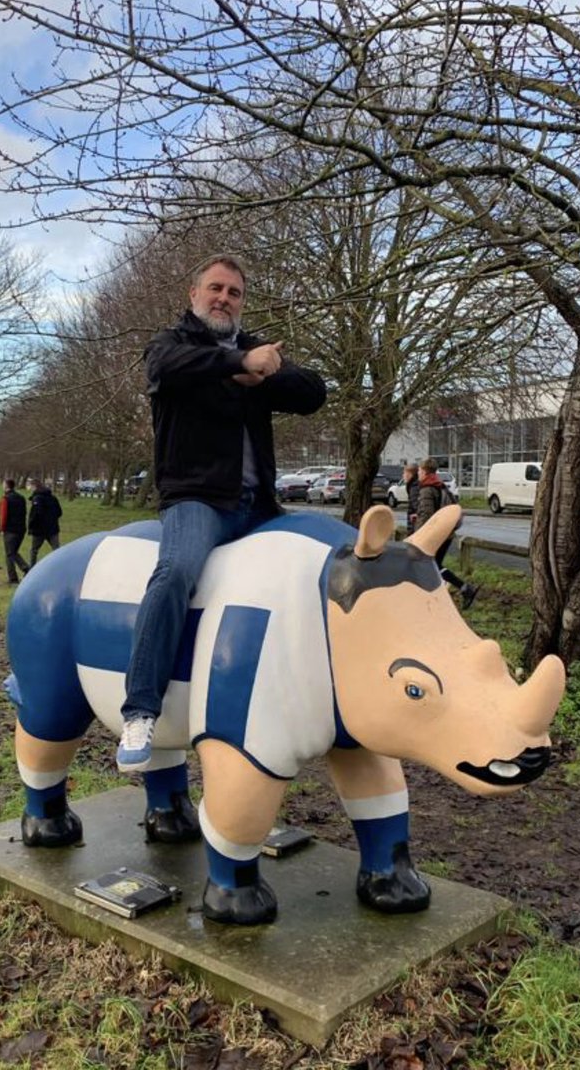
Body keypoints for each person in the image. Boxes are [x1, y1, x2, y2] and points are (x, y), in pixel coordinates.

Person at [117, 252, 327, 772]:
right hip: (197, 501)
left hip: (259, 508)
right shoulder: (172, 346)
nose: (223, 299)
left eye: (233, 292)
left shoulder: (259, 352)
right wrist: (237, 365)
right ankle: (140, 710)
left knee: (328, 557)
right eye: (215, 288)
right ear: (194, 295)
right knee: (175, 573)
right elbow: (164, 369)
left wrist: (265, 374)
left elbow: (313, 393)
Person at [415, 457, 478, 609]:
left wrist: (418, 536)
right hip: (446, 533)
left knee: (432, 566)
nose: (418, 473)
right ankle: (450, 593)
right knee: (433, 566)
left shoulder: (427, 489)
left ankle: (462, 589)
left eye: (419, 470)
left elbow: (426, 515)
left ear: (424, 471)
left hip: (435, 536)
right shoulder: (441, 486)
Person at [0, 479, 30, 585]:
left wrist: (2, 528)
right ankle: (25, 568)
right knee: (14, 551)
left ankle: (13, 578)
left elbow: (3, 515)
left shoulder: (5, 499)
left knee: (9, 554)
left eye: (3, 484)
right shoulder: (21, 498)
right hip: (21, 529)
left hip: (10, 530)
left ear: (7, 486)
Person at [27, 479, 62, 567]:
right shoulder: (53, 498)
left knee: (34, 550)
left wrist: (31, 525)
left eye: (30, 486)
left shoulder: (37, 499)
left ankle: (32, 568)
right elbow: (59, 512)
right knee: (57, 550)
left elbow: (36, 514)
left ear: (34, 486)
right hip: (53, 528)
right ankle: (60, 566)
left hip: (39, 530)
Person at [402, 462, 419, 535]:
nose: (403, 476)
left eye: (404, 473)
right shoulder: (413, 486)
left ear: (410, 474)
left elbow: (416, 506)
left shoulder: (414, 487)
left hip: (414, 525)